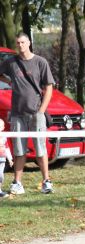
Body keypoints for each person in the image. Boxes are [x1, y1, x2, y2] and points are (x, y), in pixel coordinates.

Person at [0, 32, 55, 194]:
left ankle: (46, 181)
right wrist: (9, 81)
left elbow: (49, 88)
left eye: (23, 42)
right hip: (17, 113)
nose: (20, 45)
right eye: (18, 43)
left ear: (29, 43)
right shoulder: (11, 62)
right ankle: (17, 182)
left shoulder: (40, 62)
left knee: (40, 148)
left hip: (36, 113)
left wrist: (41, 111)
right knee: (19, 150)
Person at [0, 118, 14, 198]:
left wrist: (10, 159)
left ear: (3, 127)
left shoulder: (4, 137)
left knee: (0, 175)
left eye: (0, 126)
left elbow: (7, 148)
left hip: (2, 159)